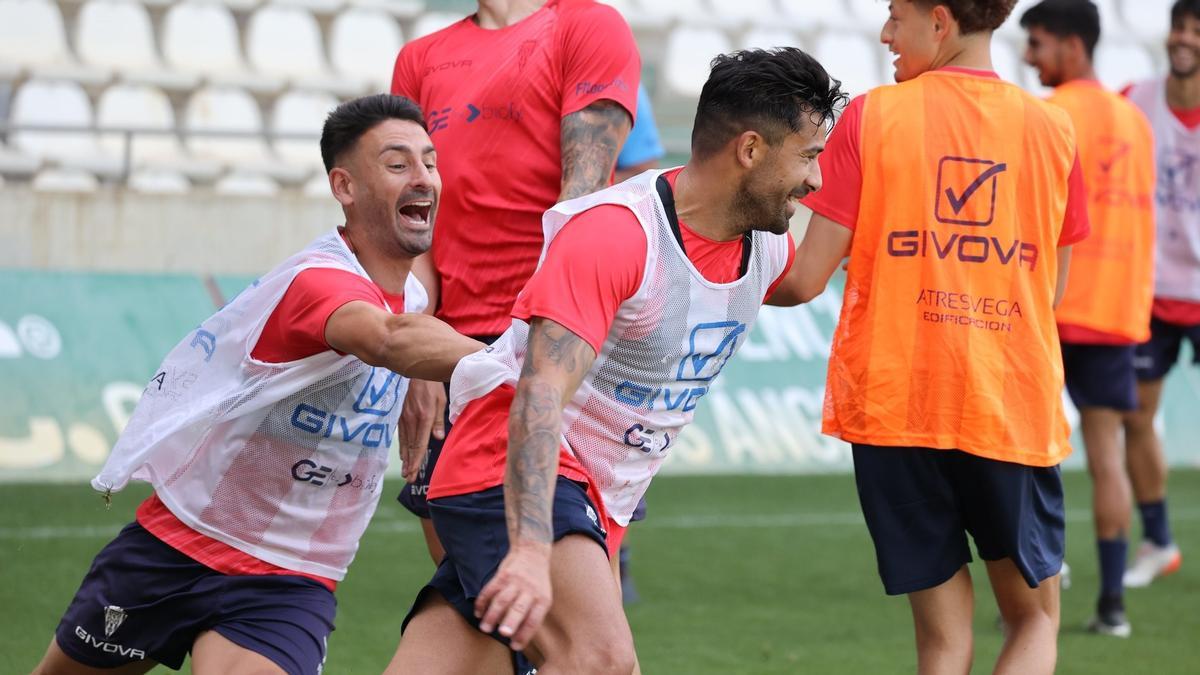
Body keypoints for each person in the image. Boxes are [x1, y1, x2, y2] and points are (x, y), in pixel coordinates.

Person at [385, 47, 844, 674]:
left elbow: (804, 282)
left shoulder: (764, 245)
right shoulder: (615, 234)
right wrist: (530, 549)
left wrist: (879, 172)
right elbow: (539, 394)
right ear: (750, 150)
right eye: (808, 156)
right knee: (601, 660)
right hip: (515, 472)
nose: (816, 180)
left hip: (600, 501)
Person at [31, 94, 483, 675]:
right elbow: (385, 339)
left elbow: (404, 329)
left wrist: (426, 377)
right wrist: (525, 368)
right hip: (178, 545)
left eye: (430, 162)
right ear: (344, 186)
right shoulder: (318, 281)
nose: (423, 177)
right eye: (398, 164)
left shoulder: (414, 298)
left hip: (290, 580)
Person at [786, 1, 1091, 672]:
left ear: (940, 20)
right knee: (1035, 620)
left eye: (896, 16)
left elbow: (803, 280)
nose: (886, 33)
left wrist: (702, 251)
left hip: (896, 405)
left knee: (943, 643)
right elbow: (1050, 293)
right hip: (1005, 405)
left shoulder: (873, 116)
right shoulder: (1054, 129)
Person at [388, 0, 641, 566]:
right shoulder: (420, 58)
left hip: (554, 337)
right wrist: (417, 350)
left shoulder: (586, 25)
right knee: (469, 583)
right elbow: (413, 223)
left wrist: (533, 344)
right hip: (453, 352)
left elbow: (579, 202)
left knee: (568, 594)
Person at [1020, 0, 1156, 637]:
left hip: (1047, 307)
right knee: (1107, 457)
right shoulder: (1135, 121)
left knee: (1023, 455)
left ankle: (1036, 595)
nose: (1029, 57)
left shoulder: (1051, 115)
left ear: (1073, 46)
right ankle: (1112, 607)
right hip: (1116, 310)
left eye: (1038, 44)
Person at [1119, 0, 1198, 590]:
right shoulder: (1133, 101)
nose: (1184, 38)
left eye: (1197, 30)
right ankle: (1158, 541)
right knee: (1137, 417)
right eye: (1179, 27)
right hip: (1149, 288)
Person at [613, 81, 667, 604]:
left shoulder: (616, 79)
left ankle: (616, 554)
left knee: (612, 420)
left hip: (605, 278)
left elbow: (643, 171)